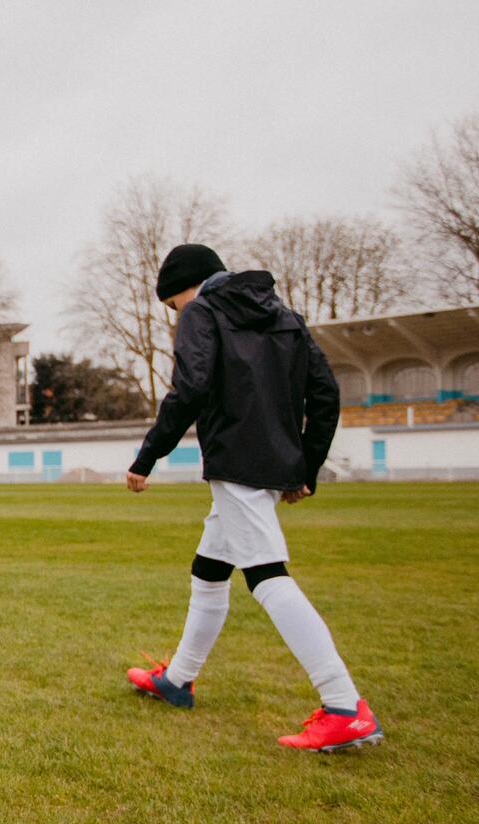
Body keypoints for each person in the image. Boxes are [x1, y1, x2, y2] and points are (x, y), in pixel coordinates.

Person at [123, 244, 383, 753]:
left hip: (236, 462)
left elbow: (191, 386)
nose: (175, 313)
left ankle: (345, 706)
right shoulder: (284, 315)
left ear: (183, 289)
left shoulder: (202, 311)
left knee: (267, 576)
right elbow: (326, 394)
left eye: (171, 304)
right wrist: (304, 467)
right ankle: (178, 678)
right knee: (209, 568)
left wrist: (146, 458)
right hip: (272, 464)